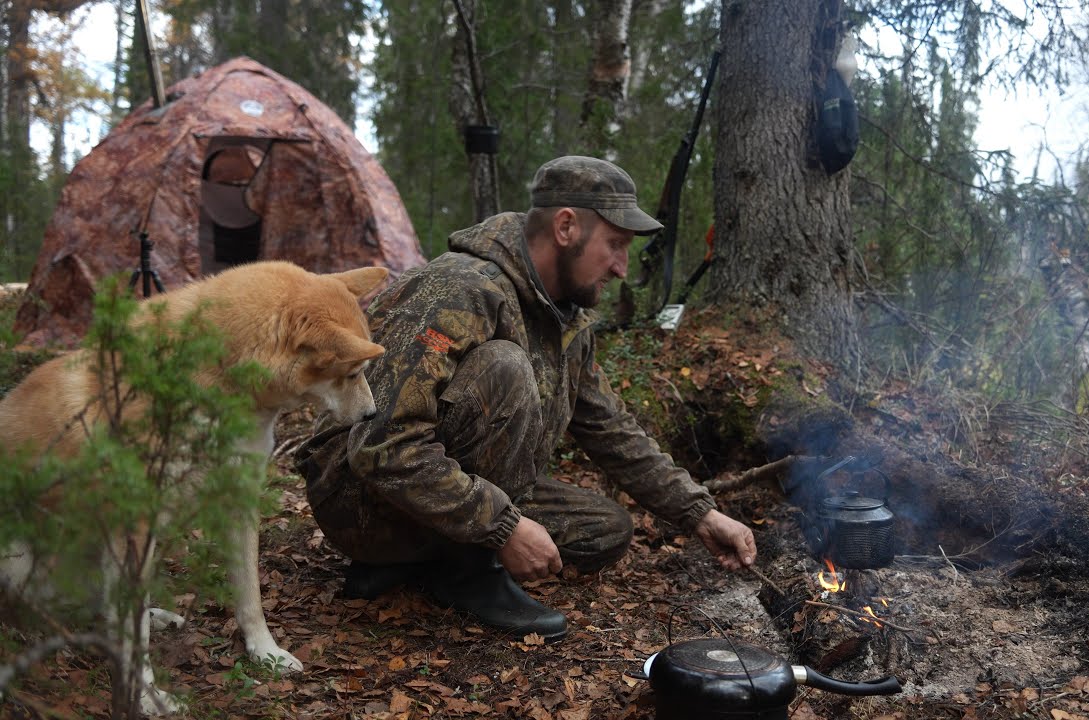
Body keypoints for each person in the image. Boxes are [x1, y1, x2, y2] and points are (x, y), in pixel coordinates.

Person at [295, 156, 756, 641]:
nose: (621, 266)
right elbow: (381, 445)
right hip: (361, 502)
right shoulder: (461, 287)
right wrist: (504, 528)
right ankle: (468, 570)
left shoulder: (567, 319)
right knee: (505, 367)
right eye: (615, 245)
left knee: (605, 529)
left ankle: (414, 568)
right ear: (565, 227)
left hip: (441, 494)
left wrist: (699, 513)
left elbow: (610, 429)